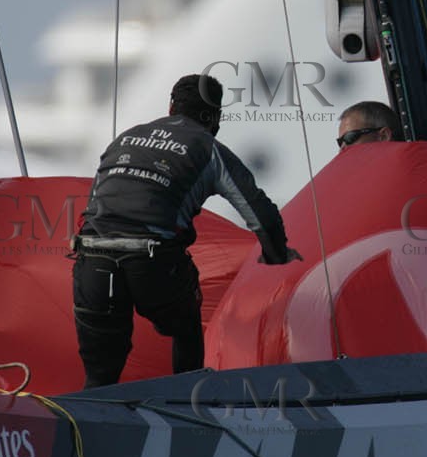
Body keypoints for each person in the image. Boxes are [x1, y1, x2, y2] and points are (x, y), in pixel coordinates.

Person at [72, 73, 300, 389]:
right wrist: (276, 256)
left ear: (170, 107)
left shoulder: (125, 137)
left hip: (93, 256)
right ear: (215, 118)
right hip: (152, 262)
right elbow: (260, 212)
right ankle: (190, 400)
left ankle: (87, 426)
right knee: (187, 330)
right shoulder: (208, 148)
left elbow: (97, 201)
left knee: (100, 373)